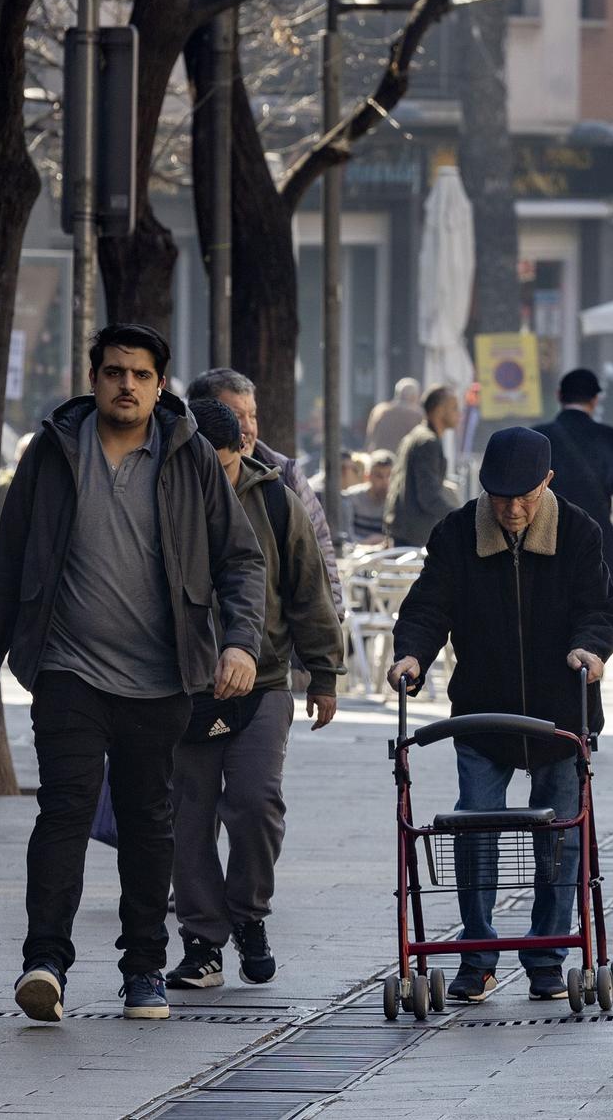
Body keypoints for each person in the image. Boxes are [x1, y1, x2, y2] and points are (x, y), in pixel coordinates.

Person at [0, 324, 265, 1024]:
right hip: (68, 666)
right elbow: (8, 560)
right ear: (93, 378)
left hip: (163, 677)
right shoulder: (51, 452)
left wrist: (241, 643)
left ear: (160, 384)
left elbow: (241, 560)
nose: (125, 384)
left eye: (139, 373)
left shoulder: (190, 456)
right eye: (112, 371)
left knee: (147, 821)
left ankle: (143, 970)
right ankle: (44, 961)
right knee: (65, 808)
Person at [388, 427, 613, 1003]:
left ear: (547, 482)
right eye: (499, 496)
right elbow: (427, 606)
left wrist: (589, 649)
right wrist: (412, 655)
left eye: (524, 495)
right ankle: (478, 955)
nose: (512, 509)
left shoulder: (578, 531)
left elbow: (602, 609)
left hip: (560, 713)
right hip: (483, 712)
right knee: (474, 828)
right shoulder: (456, 533)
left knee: (560, 840)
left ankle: (547, 955)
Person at [167, 400, 344, 991]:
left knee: (255, 801)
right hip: (183, 685)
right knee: (186, 814)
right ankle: (201, 940)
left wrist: (323, 673)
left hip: (264, 680)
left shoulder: (275, 502)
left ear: (240, 451)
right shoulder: (168, 498)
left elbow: (309, 591)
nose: (208, 481)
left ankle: (248, 916)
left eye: (217, 466)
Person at [189, 368, 343, 616]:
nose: (248, 428)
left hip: (274, 643)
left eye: (253, 416)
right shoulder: (179, 480)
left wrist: (332, 614)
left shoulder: (284, 472)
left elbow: (319, 549)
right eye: (237, 415)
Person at [534, 367, 613, 583]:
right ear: (595, 400)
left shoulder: (539, 436)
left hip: (546, 543)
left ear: (559, 395)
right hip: (596, 544)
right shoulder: (608, 438)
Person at [385, 385, 461, 547]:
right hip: (415, 537)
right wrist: (460, 517)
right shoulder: (427, 442)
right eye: (454, 408)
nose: (459, 414)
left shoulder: (416, 436)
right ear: (440, 410)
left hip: (406, 532)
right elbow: (429, 497)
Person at [344, 451, 393, 546]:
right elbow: (347, 537)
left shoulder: (398, 503)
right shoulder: (352, 498)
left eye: (389, 476)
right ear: (368, 476)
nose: (385, 482)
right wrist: (368, 543)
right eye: (379, 476)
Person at [367, 377, 424, 455]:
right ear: (413, 396)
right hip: (401, 461)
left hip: (379, 460)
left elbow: (370, 438)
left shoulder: (379, 410)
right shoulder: (416, 414)